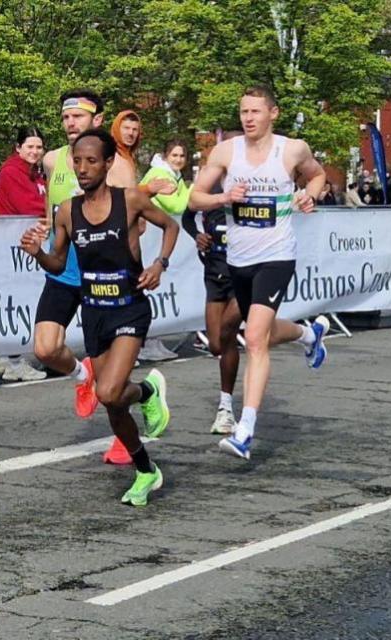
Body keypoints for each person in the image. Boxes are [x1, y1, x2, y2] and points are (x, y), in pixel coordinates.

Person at [20, 128, 180, 506]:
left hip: (129, 308)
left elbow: (170, 227)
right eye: (77, 161)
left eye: (92, 161)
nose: (83, 168)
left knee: (107, 390)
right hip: (94, 312)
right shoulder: (67, 211)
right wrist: (38, 253)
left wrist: (160, 264)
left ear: (108, 164)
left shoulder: (132, 200)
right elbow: (59, 262)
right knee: (112, 401)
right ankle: (146, 467)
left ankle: (146, 393)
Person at [189, 85, 330, 461]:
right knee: (260, 331)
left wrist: (309, 195)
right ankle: (308, 333)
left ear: (273, 114)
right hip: (239, 260)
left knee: (253, 338)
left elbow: (319, 176)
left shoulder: (292, 149)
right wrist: (223, 198)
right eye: (243, 112)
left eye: (255, 111)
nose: (248, 118)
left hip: (277, 256)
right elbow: (194, 197)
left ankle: (245, 429)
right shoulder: (225, 151)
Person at [35, 89, 105, 419]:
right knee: (46, 348)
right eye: (65, 117)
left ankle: (130, 427)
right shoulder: (51, 159)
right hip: (63, 268)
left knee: (111, 374)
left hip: (100, 273)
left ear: (98, 120)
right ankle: (81, 375)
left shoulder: (113, 163)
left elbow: (135, 222)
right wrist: (45, 229)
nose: (70, 122)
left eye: (77, 116)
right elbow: (52, 209)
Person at [176, 133, 244, 435]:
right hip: (215, 272)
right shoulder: (210, 184)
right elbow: (187, 217)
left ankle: (226, 407)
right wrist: (197, 237)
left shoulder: (253, 181)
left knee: (228, 333)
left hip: (245, 273)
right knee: (216, 343)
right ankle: (302, 334)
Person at [0, 125, 48, 381]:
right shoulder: (12, 171)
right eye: (30, 147)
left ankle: (5, 354)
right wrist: (57, 210)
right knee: (19, 297)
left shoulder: (36, 173)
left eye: (38, 147)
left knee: (24, 295)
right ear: (18, 148)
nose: (35, 152)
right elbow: (29, 205)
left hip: (29, 242)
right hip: (15, 242)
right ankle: (13, 359)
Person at [137, 139, 193, 362]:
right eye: (174, 156)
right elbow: (176, 206)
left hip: (159, 238)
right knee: (147, 287)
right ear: (166, 156)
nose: (178, 160)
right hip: (148, 238)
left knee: (158, 289)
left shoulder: (174, 175)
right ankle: (144, 342)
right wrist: (195, 188)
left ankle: (153, 339)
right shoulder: (159, 175)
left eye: (182, 156)